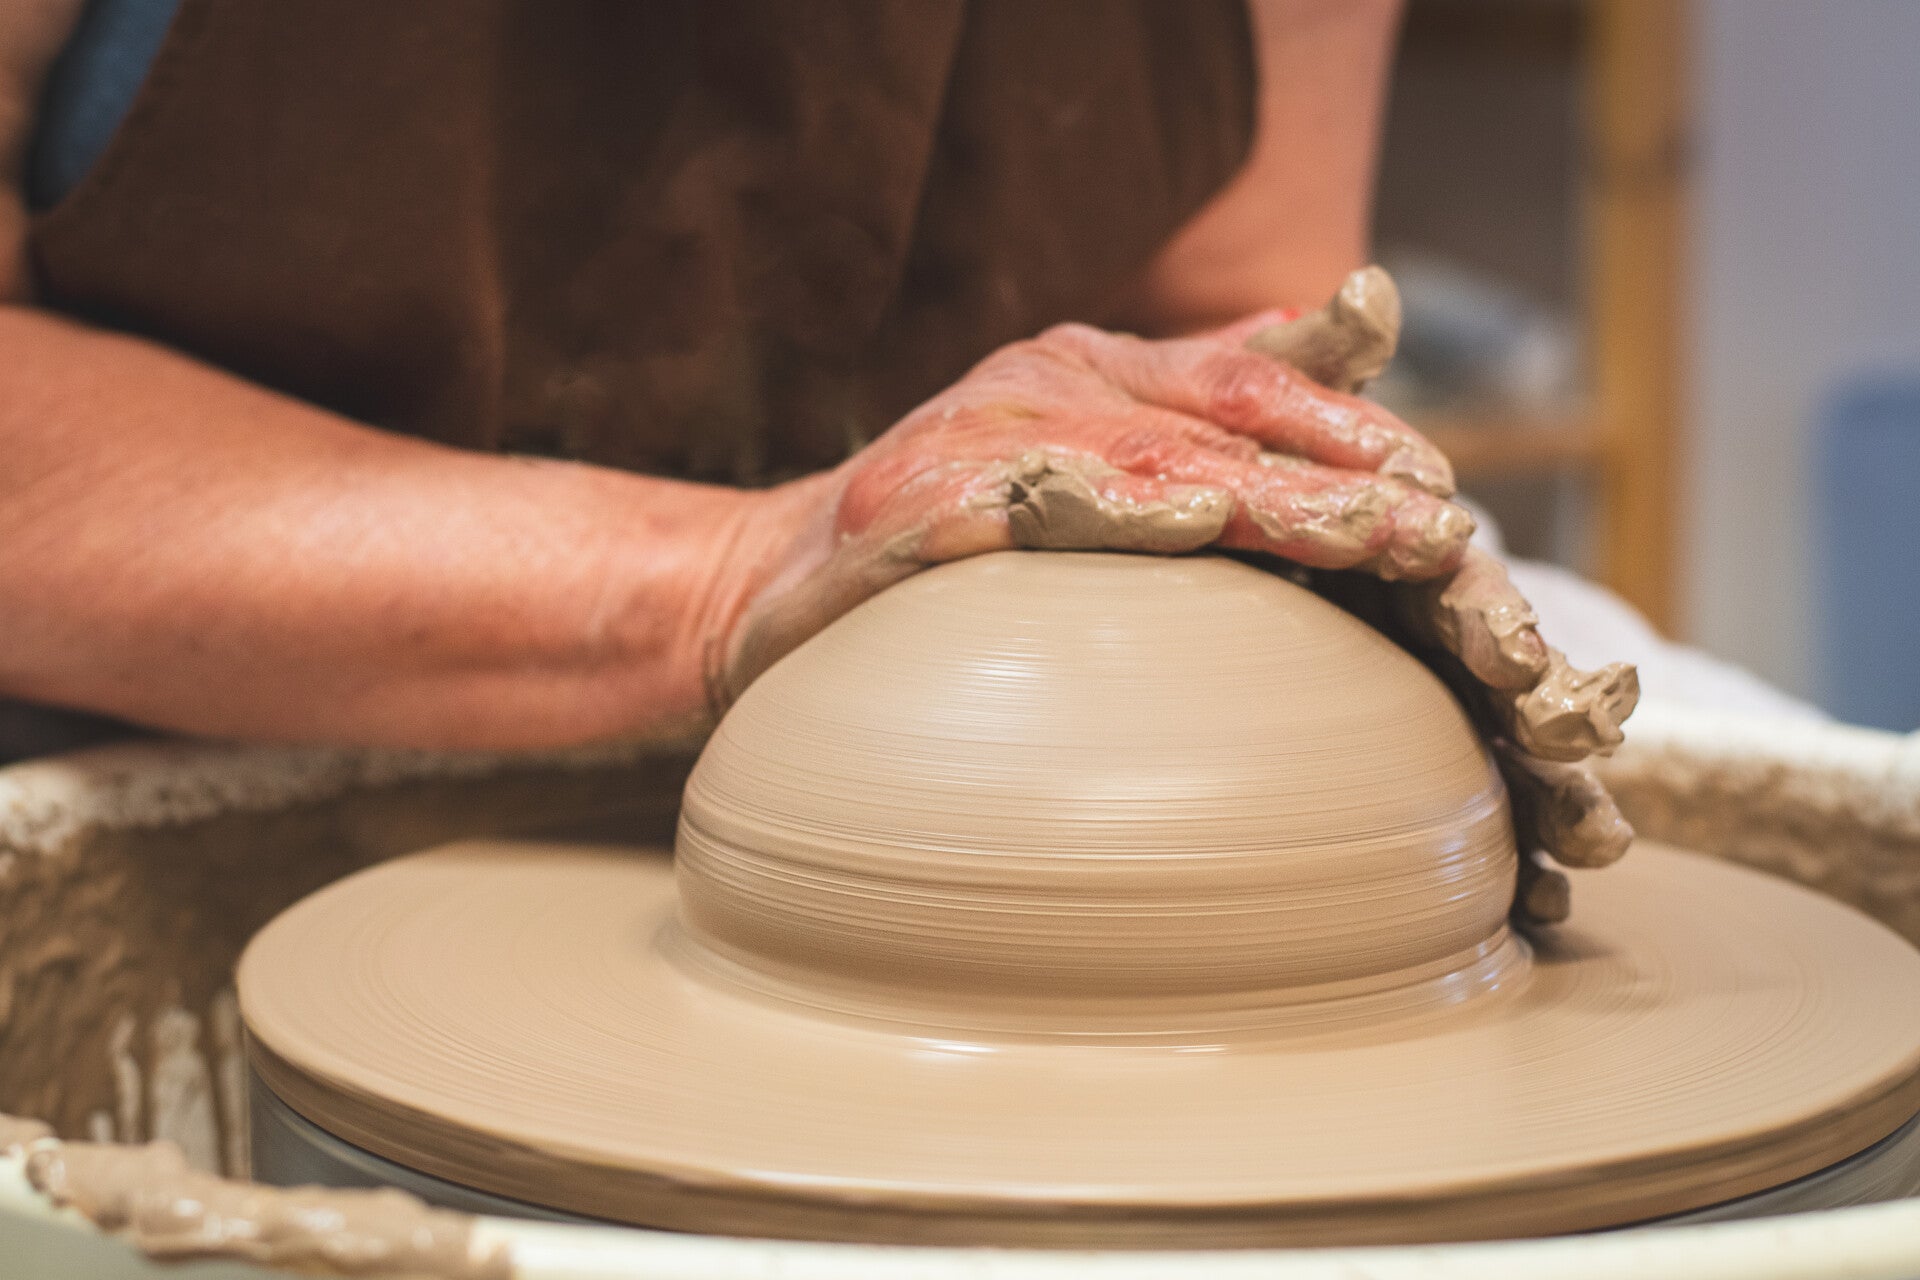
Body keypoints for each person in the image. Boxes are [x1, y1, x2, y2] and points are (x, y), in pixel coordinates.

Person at [0, 1, 1632, 909]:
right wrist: (718, 577)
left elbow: (1223, 309)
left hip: (939, 801)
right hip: (149, 770)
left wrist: (1312, 581)